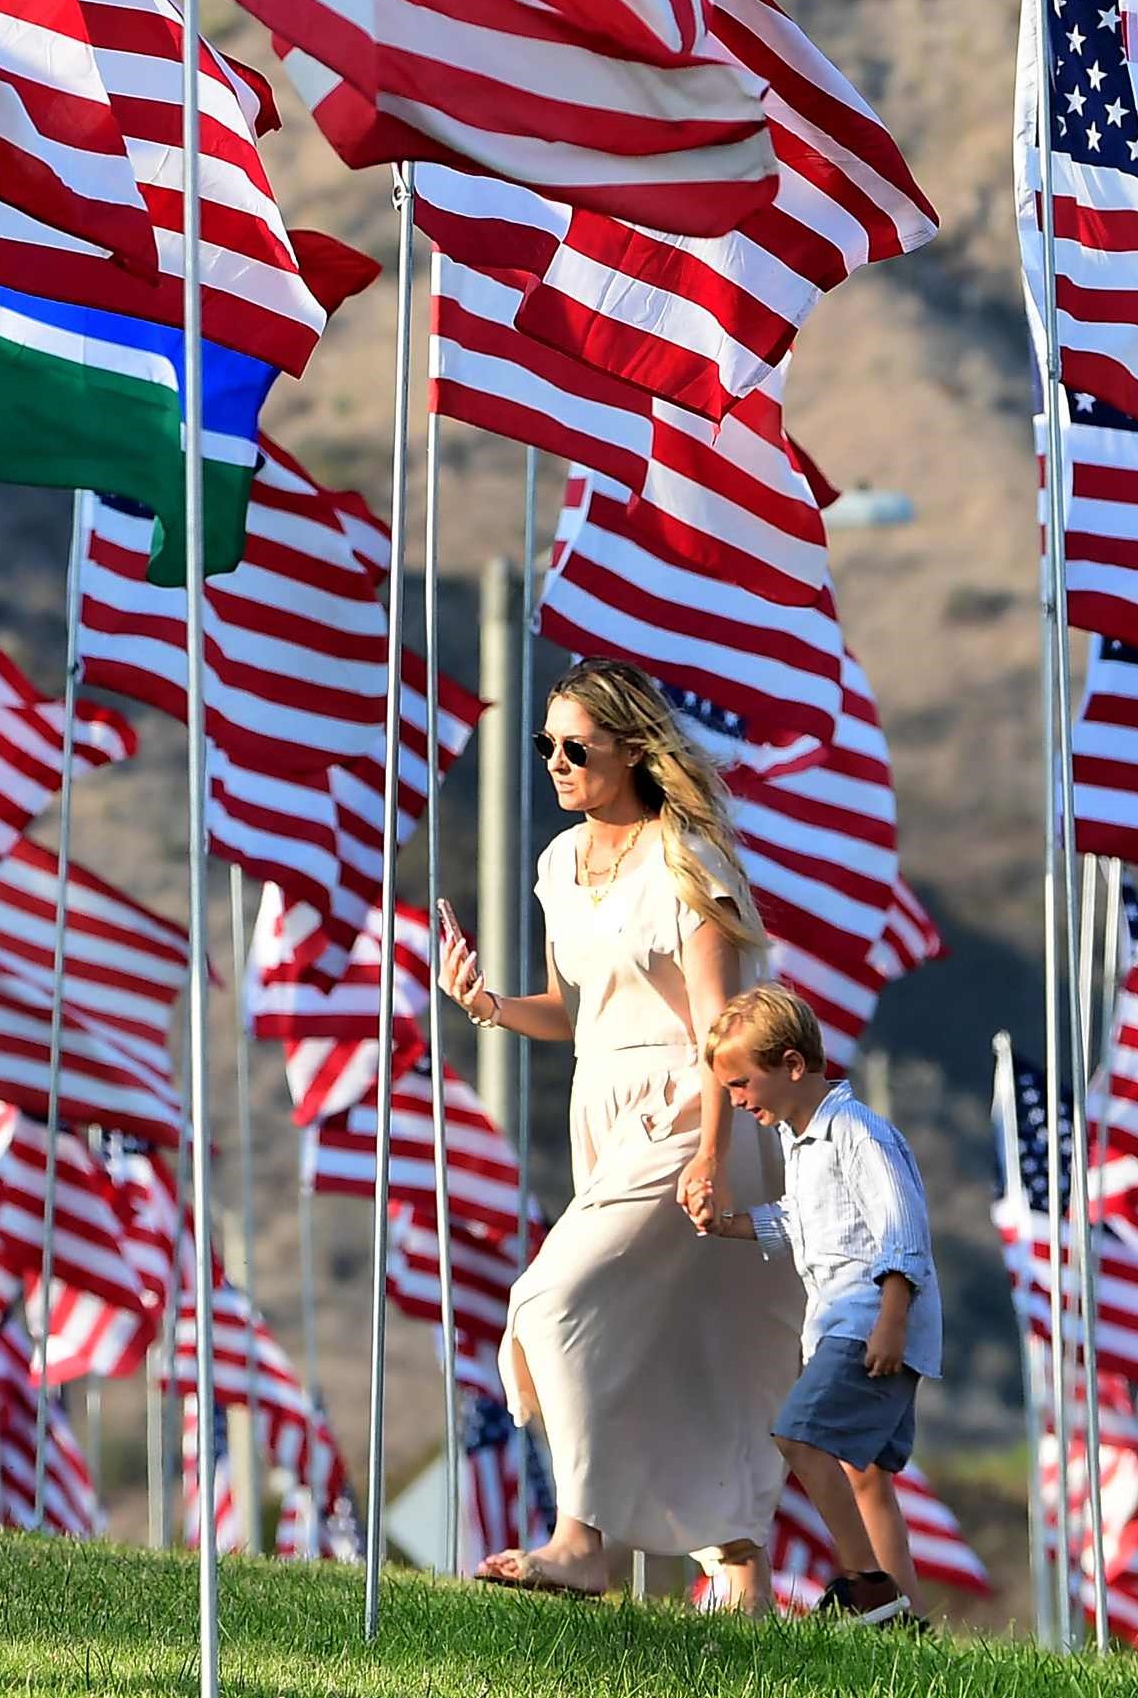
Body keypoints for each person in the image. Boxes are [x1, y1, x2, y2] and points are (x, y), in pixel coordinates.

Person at [436, 657, 799, 1602]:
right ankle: (739, 1565)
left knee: (552, 1299)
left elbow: (722, 1030)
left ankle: (578, 1541)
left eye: (575, 746)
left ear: (632, 750)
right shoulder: (559, 862)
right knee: (676, 1341)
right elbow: (571, 1007)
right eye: (545, 745)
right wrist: (486, 1005)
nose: (555, 762)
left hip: (689, 1109)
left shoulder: (688, 858)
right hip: (599, 1106)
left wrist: (716, 1155)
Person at [703, 981, 938, 1629]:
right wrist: (729, 1223)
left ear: (792, 1064)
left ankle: (869, 1587)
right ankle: (907, 1620)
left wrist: (891, 1319)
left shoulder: (854, 1132)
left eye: (741, 1083)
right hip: (840, 1320)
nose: (735, 1099)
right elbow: (805, 1221)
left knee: (795, 1432)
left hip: (868, 1317)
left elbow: (901, 1226)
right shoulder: (799, 1141)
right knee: (864, 1474)